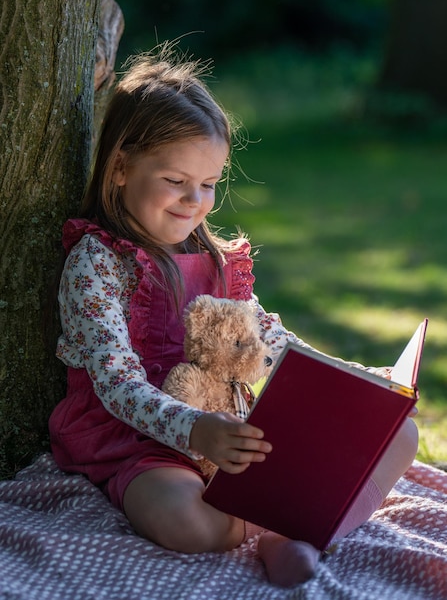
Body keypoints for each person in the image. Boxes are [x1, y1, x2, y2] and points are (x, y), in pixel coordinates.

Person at [49, 44, 418, 588]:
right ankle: (291, 526)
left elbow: (268, 337)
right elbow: (116, 383)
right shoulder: (98, 261)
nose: (195, 200)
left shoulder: (220, 260)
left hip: (232, 434)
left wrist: (353, 378)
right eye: (176, 181)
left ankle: (288, 528)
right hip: (141, 441)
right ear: (121, 167)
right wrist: (194, 429)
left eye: (209, 183)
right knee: (184, 519)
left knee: (401, 434)